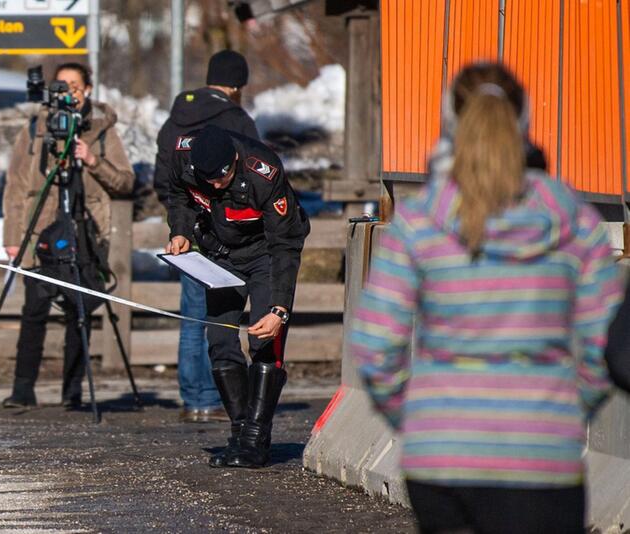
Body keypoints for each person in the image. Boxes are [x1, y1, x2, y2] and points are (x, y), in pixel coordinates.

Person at [352, 63, 624, 533]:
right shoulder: (570, 217)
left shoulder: (419, 221)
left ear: (449, 122)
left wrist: (417, 416)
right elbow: (610, 341)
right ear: (524, 120)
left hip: (441, 453)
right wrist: (568, 406)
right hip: (541, 451)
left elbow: (376, 345)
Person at [165, 125, 310, 468]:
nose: (215, 185)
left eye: (223, 177)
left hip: (266, 254)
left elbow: (285, 245)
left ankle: (256, 440)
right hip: (220, 255)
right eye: (208, 179)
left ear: (234, 160)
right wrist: (181, 231)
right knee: (220, 339)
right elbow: (178, 196)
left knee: (264, 340)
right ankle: (240, 434)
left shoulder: (264, 172)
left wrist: (280, 309)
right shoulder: (183, 156)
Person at [1, 62, 134, 409]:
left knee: (80, 308)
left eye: (74, 85)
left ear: (88, 89)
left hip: (85, 233)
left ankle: (72, 390)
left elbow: (125, 182)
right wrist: (13, 235)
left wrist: (92, 160)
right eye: (61, 85)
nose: (68, 92)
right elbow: (15, 186)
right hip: (40, 232)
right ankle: (22, 389)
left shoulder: (103, 130)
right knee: (34, 309)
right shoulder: (35, 129)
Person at [154, 49, 261, 423]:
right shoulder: (236, 118)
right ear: (236, 85)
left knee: (193, 316)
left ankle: (192, 396)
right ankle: (214, 396)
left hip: (186, 230)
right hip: (224, 233)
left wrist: (182, 220)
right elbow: (253, 176)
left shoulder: (174, 120)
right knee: (220, 317)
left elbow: (164, 181)